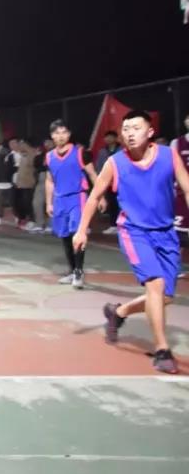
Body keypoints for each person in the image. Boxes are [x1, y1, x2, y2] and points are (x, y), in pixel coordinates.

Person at [75, 110, 189, 374]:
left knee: (165, 297)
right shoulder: (115, 163)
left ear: (150, 132)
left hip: (166, 232)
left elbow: (186, 186)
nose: (129, 133)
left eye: (136, 128)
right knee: (155, 285)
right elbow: (94, 196)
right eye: (125, 129)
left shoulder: (167, 155)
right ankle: (162, 350)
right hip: (134, 231)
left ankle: (118, 313)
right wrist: (81, 231)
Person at [46, 121, 100, 289]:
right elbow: (49, 181)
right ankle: (72, 270)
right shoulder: (49, 156)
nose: (60, 136)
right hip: (59, 199)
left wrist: (100, 197)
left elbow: (93, 175)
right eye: (57, 133)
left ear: (69, 134)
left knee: (78, 234)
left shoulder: (80, 153)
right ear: (52, 136)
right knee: (64, 236)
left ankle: (78, 272)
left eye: (64, 132)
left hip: (78, 198)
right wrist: (49, 203)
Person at [0, 140, 15, 226]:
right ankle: (15, 217)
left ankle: (0, 217)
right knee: (9, 201)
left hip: (2, 182)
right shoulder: (9, 155)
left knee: (0, 201)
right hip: (4, 182)